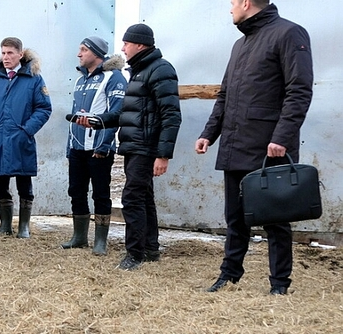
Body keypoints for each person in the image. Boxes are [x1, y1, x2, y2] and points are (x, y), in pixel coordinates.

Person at [195, 0, 313, 295]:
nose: (230, 8)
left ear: (246, 3)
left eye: (233, 2)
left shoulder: (290, 34)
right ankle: (229, 275)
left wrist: (282, 137)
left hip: (268, 147)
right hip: (235, 145)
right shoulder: (240, 44)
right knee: (235, 218)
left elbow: (299, 90)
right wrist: (209, 133)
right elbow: (225, 96)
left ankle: (279, 284)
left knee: (275, 219)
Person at [101, 24, 182, 270]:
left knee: (132, 197)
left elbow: (171, 115)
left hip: (146, 147)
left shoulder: (160, 70)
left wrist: (163, 155)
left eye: (126, 43)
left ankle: (134, 254)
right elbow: (130, 112)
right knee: (144, 197)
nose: (123, 48)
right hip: (135, 146)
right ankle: (149, 249)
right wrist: (99, 121)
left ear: (140, 44)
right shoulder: (139, 71)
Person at [0, 37, 52, 239]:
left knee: (24, 181)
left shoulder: (34, 79)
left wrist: (27, 130)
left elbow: (43, 108)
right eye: (3, 53)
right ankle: (4, 224)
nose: (6, 57)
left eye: (10, 53)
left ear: (20, 54)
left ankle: (24, 226)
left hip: (21, 140)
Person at [62, 36, 127, 256]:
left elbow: (116, 113)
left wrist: (104, 144)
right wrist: (69, 146)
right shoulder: (80, 80)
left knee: (101, 193)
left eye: (83, 50)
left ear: (96, 53)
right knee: (76, 192)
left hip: (99, 148)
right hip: (77, 147)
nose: (79, 54)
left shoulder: (114, 77)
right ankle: (79, 237)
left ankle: (100, 241)